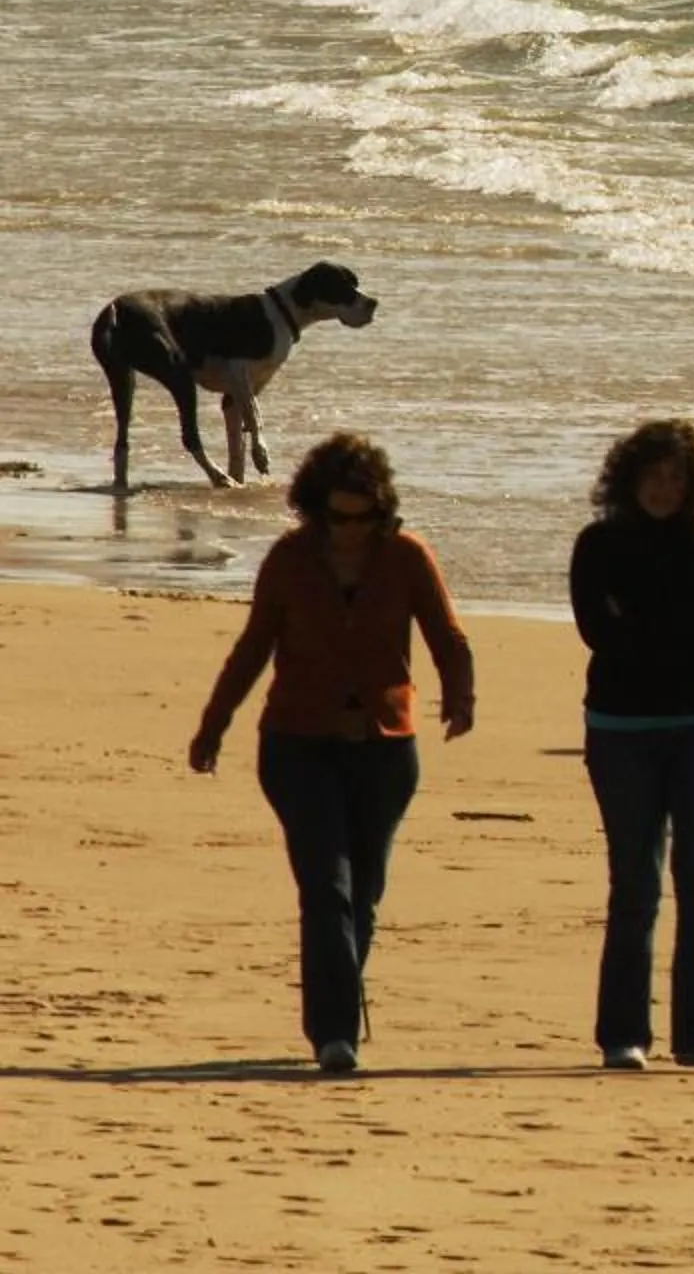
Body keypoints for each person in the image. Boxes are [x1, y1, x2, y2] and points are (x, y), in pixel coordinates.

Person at [189, 432, 475, 1073]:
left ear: (382, 510)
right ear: (315, 509)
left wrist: (461, 697)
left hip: (385, 750)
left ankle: (335, 1010)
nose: (350, 532)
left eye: (363, 517)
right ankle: (334, 1034)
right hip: (296, 746)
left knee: (363, 893)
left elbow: (447, 636)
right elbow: (252, 648)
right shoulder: (290, 560)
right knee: (327, 887)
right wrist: (213, 726)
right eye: (337, 518)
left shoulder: (405, 556)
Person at [569, 419, 694, 1072]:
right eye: (653, 476)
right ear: (629, 478)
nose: (664, 489)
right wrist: (681, 630)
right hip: (622, 730)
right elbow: (598, 630)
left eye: (677, 478)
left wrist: (643, 627)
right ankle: (623, 1034)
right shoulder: (598, 545)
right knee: (637, 883)